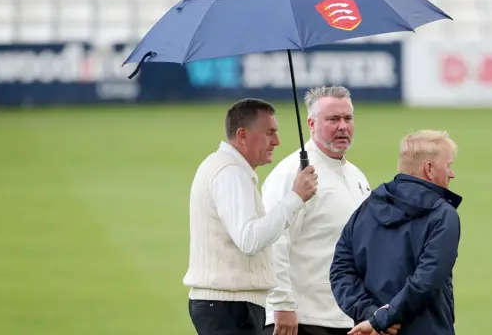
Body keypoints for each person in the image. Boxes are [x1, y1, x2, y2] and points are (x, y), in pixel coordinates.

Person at [183, 98, 319, 335]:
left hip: (229, 303)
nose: (277, 141)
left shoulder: (230, 169)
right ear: (243, 135)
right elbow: (249, 239)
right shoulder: (230, 172)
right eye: (269, 133)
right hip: (228, 305)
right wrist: (296, 197)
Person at [260, 86, 372, 335]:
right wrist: (282, 304)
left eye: (348, 118)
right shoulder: (291, 174)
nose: (343, 126)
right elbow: (272, 242)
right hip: (301, 319)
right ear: (311, 124)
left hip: (347, 316)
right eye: (333, 119)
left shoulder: (355, 176)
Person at [329, 130, 463, 335]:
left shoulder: (364, 210)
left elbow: (340, 272)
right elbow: (426, 280)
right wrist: (382, 318)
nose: (452, 173)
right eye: (449, 165)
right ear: (429, 168)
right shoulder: (442, 214)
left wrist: (372, 315)